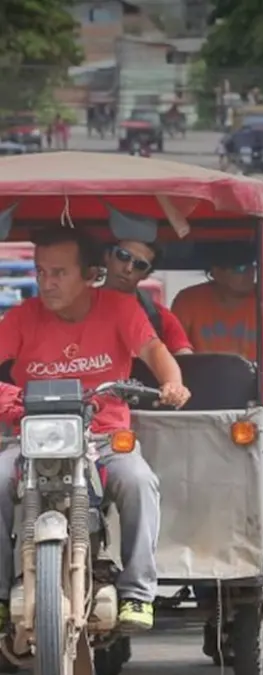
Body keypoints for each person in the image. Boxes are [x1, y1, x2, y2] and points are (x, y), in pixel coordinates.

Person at [0, 227, 191, 631]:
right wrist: (11, 402)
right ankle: (1, 593)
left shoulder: (120, 310)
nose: (46, 283)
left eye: (58, 273)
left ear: (90, 274)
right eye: (40, 272)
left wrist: (172, 381)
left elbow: (155, 352)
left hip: (104, 441)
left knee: (140, 482)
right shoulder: (19, 318)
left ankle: (138, 592)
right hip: (34, 438)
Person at [102, 240, 193, 354]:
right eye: (123, 256)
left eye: (140, 265)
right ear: (107, 255)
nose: (128, 269)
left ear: (146, 275)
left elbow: (186, 359)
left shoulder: (160, 318)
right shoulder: (78, 305)